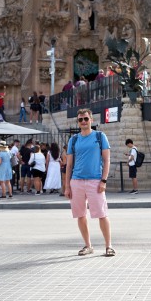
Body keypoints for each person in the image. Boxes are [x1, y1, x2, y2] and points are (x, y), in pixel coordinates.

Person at [65, 108, 115, 257]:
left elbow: (107, 160)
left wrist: (103, 181)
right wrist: (67, 186)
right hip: (77, 181)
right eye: (80, 120)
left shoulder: (100, 136)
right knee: (80, 215)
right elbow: (68, 165)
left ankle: (109, 246)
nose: (83, 122)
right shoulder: (73, 140)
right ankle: (88, 245)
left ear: (91, 120)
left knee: (102, 214)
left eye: (86, 119)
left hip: (95, 180)